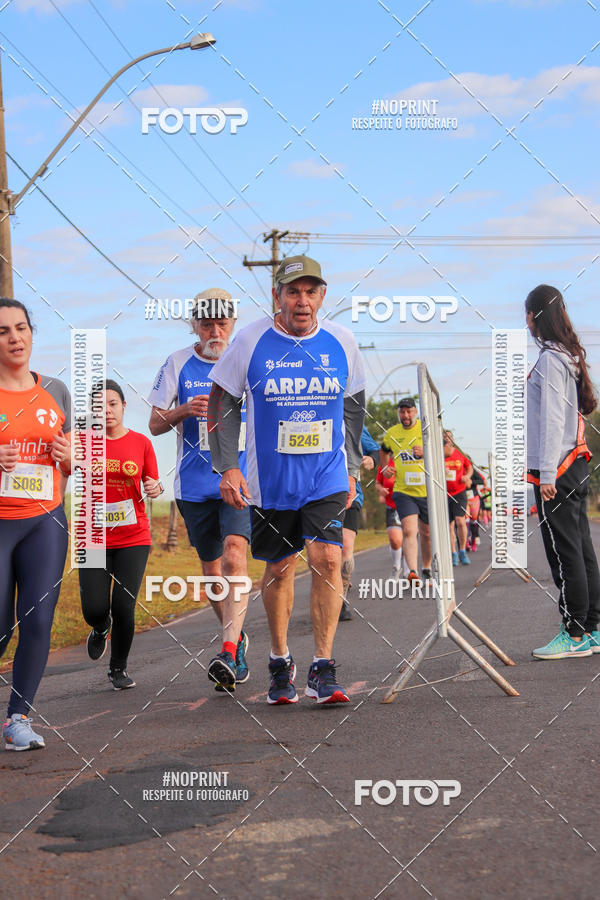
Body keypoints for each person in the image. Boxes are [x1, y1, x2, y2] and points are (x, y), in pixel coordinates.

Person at [207, 254, 366, 705]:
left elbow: (354, 405)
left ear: (322, 296)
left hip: (326, 473)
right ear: (276, 296)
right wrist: (228, 465)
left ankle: (323, 664)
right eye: (293, 292)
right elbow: (222, 401)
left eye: (311, 291)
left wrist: (352, 466)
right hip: (270, 478)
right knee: (279, 568)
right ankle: (280, 660)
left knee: (329, 559)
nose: (302, 301)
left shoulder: (343, 341)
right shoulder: (251, 340)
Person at [148, 289, 251, 692]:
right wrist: (183, 410)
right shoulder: (177, 363)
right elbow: (154, 423)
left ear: (233, 324)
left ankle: (228, 650)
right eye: (206, 323)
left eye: (222, 323)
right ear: (194, 325)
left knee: (234, 555)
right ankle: (237, 634)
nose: (215, 330)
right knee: (211, 573)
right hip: (194, 484)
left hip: (239, 478)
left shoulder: (246, 361)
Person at [0, 299, 71, 751]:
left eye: (21, 328)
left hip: (45, 520)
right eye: (3, 331)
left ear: (32, 332)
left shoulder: (58, 390)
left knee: (38, 619)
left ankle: (17, 719)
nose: (14, 338)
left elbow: (80, 454)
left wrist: (73, 458)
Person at [526, 284, 600, 659]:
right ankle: (592, 628)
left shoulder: (550, 360)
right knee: (583, 550)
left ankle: (573, 634)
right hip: (575, 464)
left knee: (565, 552)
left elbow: (553, 419)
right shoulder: (565, 355)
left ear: (532, 318)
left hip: (559, 468)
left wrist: (547, 475)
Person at [79, 380, 163, 690]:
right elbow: (62, 466)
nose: (107, 411)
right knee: (95, 609)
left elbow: (153, 482)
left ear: (124, 406)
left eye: (112, 404)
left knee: (124, 606)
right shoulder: (83, 442)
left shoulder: (141, 442)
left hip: (133, 536)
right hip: (93, 537)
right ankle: (101, 628)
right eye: (99, 406)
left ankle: (118, 668)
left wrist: (156, 487)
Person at [379, 398, 432, 584]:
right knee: (410, 530)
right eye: (402, 412)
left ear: (415, 412)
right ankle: (413, 572)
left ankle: (426, 568)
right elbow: (383, 451)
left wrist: (426, 452)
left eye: (409, 411)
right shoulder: (393, 433)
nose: (406, 415)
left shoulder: (426, 429)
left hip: (427, 490)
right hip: (403, 491)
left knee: (426, 533)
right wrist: (385, 468)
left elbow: (441, 453)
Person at [339, 424, 380, 621]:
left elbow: (374, 449)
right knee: (322, 555)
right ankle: (324, 595)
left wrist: (372, 459)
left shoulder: (352, 421)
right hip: (317, 495)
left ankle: (340, 601)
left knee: (346, 547)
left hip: (350, 494)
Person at [443, 431, 473, 566]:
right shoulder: (438, 454)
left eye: (449, 436)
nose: (447, 439)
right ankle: (453, 553)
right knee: (449, 525)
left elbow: (470, 467)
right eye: (444, 437)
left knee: (460, 521)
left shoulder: (459, 453)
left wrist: (467, 476)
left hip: (459, 491)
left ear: (452, 439)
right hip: (444, 493)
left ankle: (462, 551)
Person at [375, 458, 409, 580]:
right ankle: (396, 567)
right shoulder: (385, 464)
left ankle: (408, 570)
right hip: (392, 506)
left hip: (408, 505)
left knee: (408, 537)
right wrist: (381, 490)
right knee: (395, 540)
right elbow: (378, 483)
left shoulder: (409, 461)